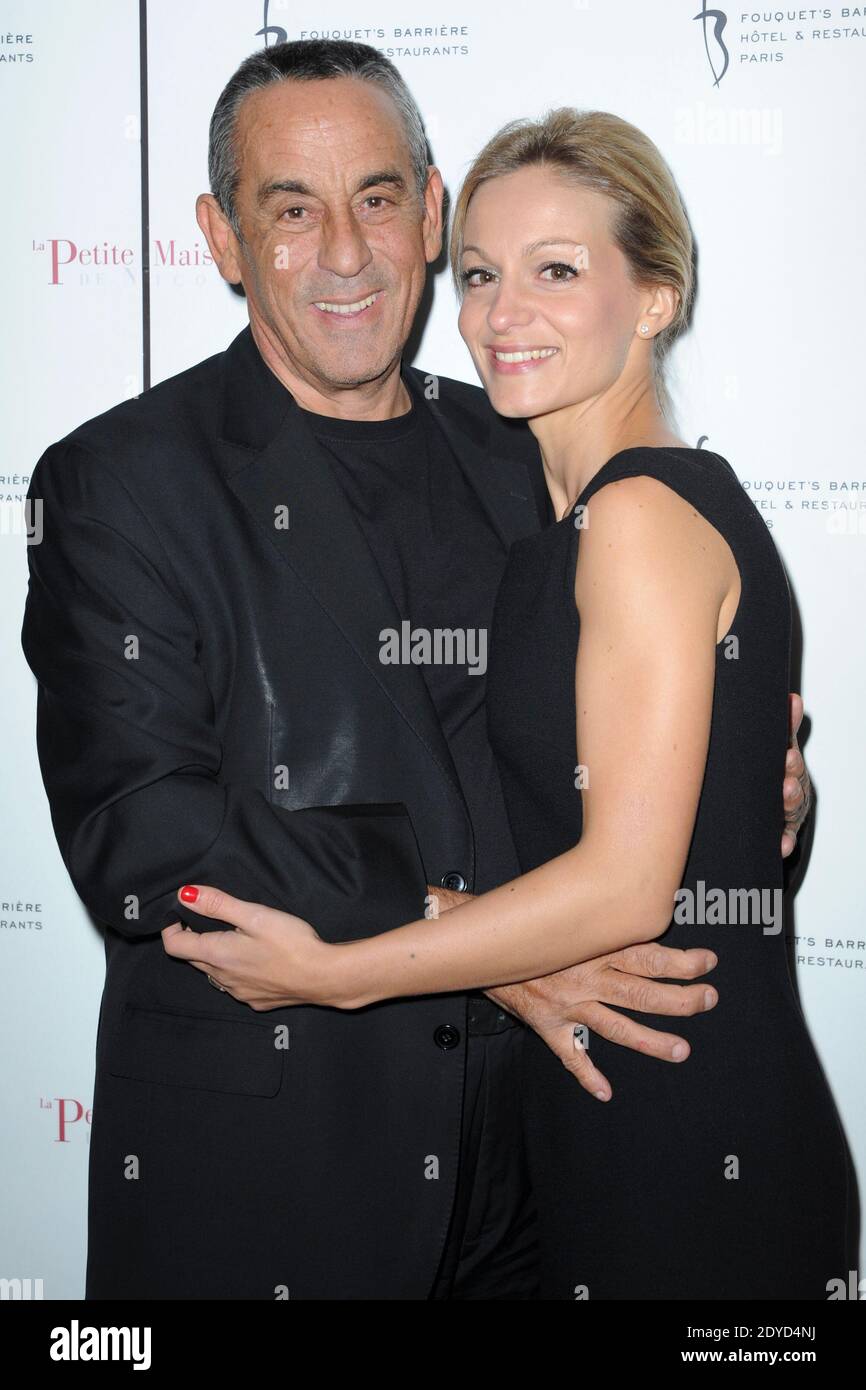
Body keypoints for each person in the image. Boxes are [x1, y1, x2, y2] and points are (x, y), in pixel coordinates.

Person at [21, 41, 810, 1301]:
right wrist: (483, 934)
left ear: (430, 213)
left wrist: (739, 795)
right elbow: (144, 832)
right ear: (221, 238)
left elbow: (604, 771)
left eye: (378, 198)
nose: (345, 251)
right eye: (291, 210)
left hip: (557, 1173)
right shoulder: (124, 482)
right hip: (284, 1178)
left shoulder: (529, 454)